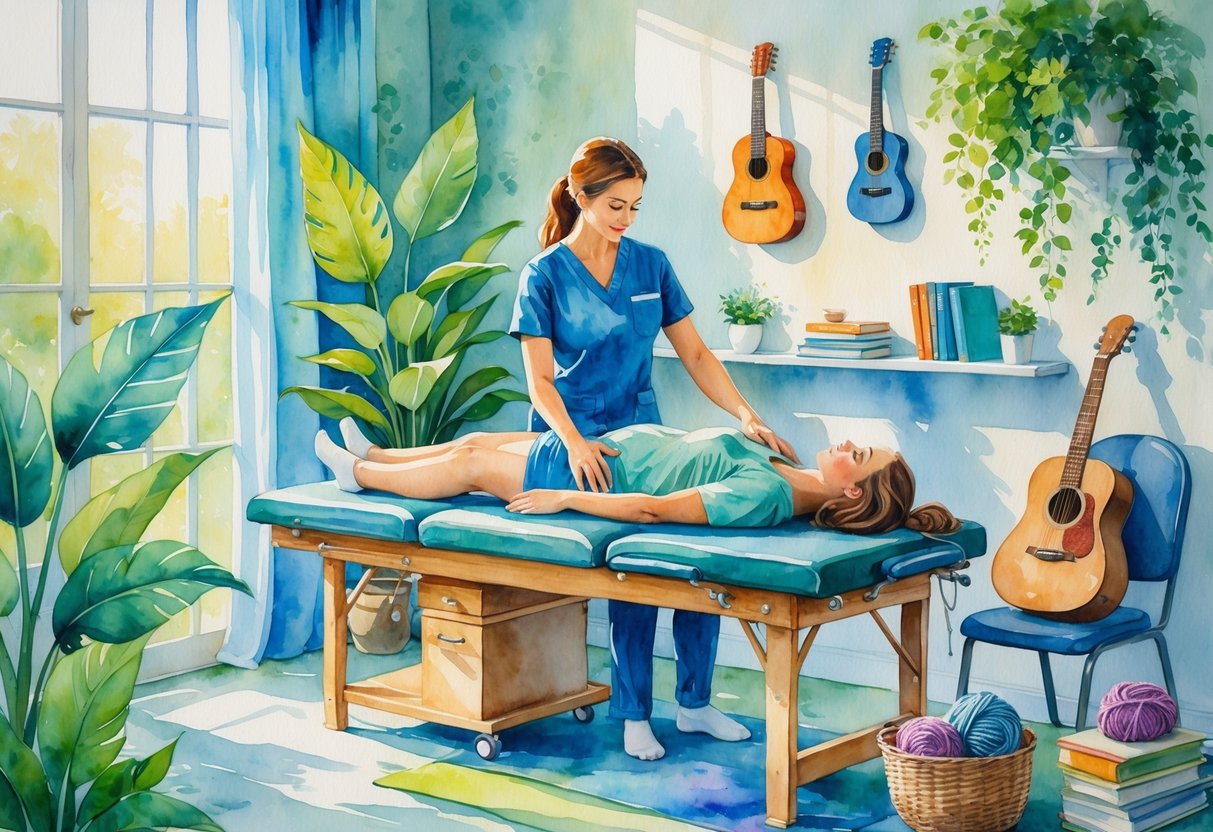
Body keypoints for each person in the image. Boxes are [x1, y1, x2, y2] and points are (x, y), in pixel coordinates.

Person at [318, 419, 960, 758]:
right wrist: (747, 423)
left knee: (469, 465)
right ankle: (377, 451)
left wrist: (568, 496)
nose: (847, 442)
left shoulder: (766, 494)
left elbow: (657, 509)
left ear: (853, 490)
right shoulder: (784, 466)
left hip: (591, 477)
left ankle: (362, 478)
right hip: (602, 450)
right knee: (477, 442)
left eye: (861, 452)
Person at [508, 136, 802, 759]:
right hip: (582, 440)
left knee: (701, 552)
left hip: (646, 431)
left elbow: (695, 353)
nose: (626, 220)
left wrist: (747, 415)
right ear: (580, 197)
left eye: (636, 206)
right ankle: (634, 712)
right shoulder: (545, 275)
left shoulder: (651, 264)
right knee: (633, 569)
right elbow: (537, 382)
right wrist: (576, 444)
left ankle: (694, 703)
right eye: (615, 205)